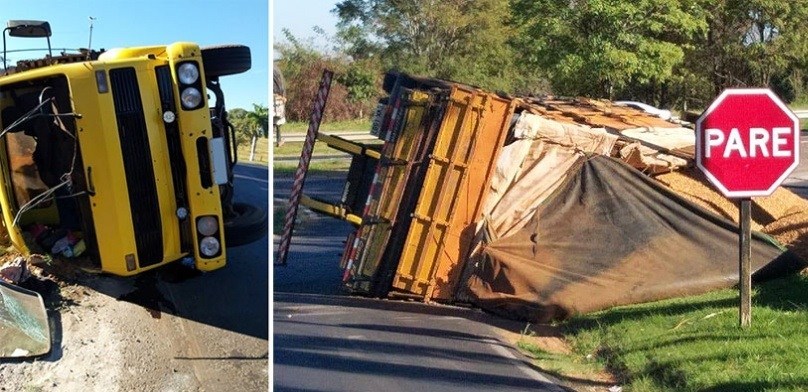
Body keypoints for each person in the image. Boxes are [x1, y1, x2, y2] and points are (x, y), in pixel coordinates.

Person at [273, 65, 286, 147]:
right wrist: (282, 96)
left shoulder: (274, 69)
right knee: (277, 120)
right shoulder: (275, 69)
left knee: (275, 120)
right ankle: (279, 140)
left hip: (275, 97)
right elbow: (281, 85)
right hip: (277, 98)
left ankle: (279, 140)